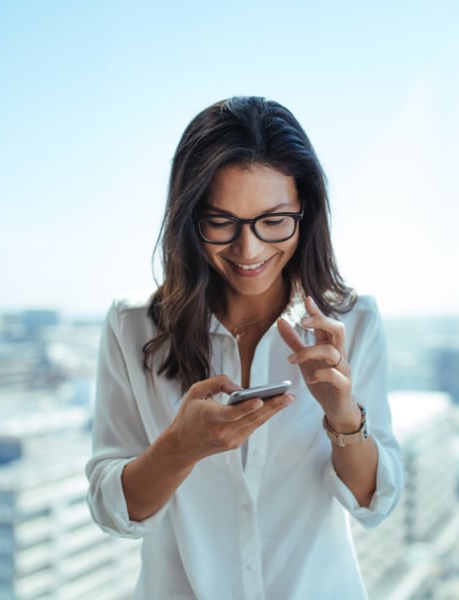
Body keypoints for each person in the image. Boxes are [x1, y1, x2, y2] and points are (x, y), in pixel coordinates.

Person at [86, 96, 403, 599]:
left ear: (306, 213)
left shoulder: (354, 323)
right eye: (221, 221)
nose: (248, 250)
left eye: (274, 221)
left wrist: (344, 416)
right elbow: (113, 512)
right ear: (188, 218)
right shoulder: (133, 327)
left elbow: (373, 503)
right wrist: (179, 448)